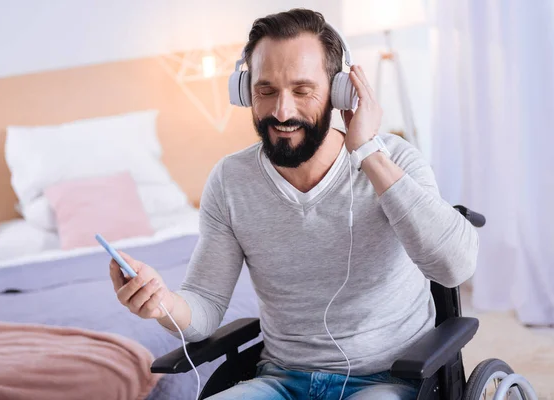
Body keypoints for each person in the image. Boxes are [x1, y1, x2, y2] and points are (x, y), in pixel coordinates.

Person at [109, 8, 479, 400]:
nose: (281, 111)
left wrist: (367, 151)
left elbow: (454, 266)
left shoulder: (393, 160)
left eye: (302, 91)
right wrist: (162, 302)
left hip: (388, 380)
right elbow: (205, 309)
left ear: (341, 91)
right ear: (244, 90)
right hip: (281, 381)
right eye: (266, 90)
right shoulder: (231, 181)